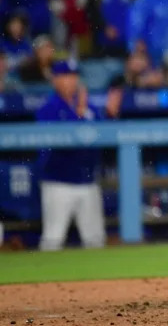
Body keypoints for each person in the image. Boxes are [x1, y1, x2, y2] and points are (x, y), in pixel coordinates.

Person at [35, 60, 118, 251]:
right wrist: (79, 116)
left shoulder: (89, 107)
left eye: (74, 76)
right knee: (53, 239)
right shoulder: (48, 108)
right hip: (58, 182)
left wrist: (109, 116)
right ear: (55, 79)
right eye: (66, 76)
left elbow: (103, 136)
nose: (71, 81)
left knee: (95, 240)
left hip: (88, 182)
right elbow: (57, 140)